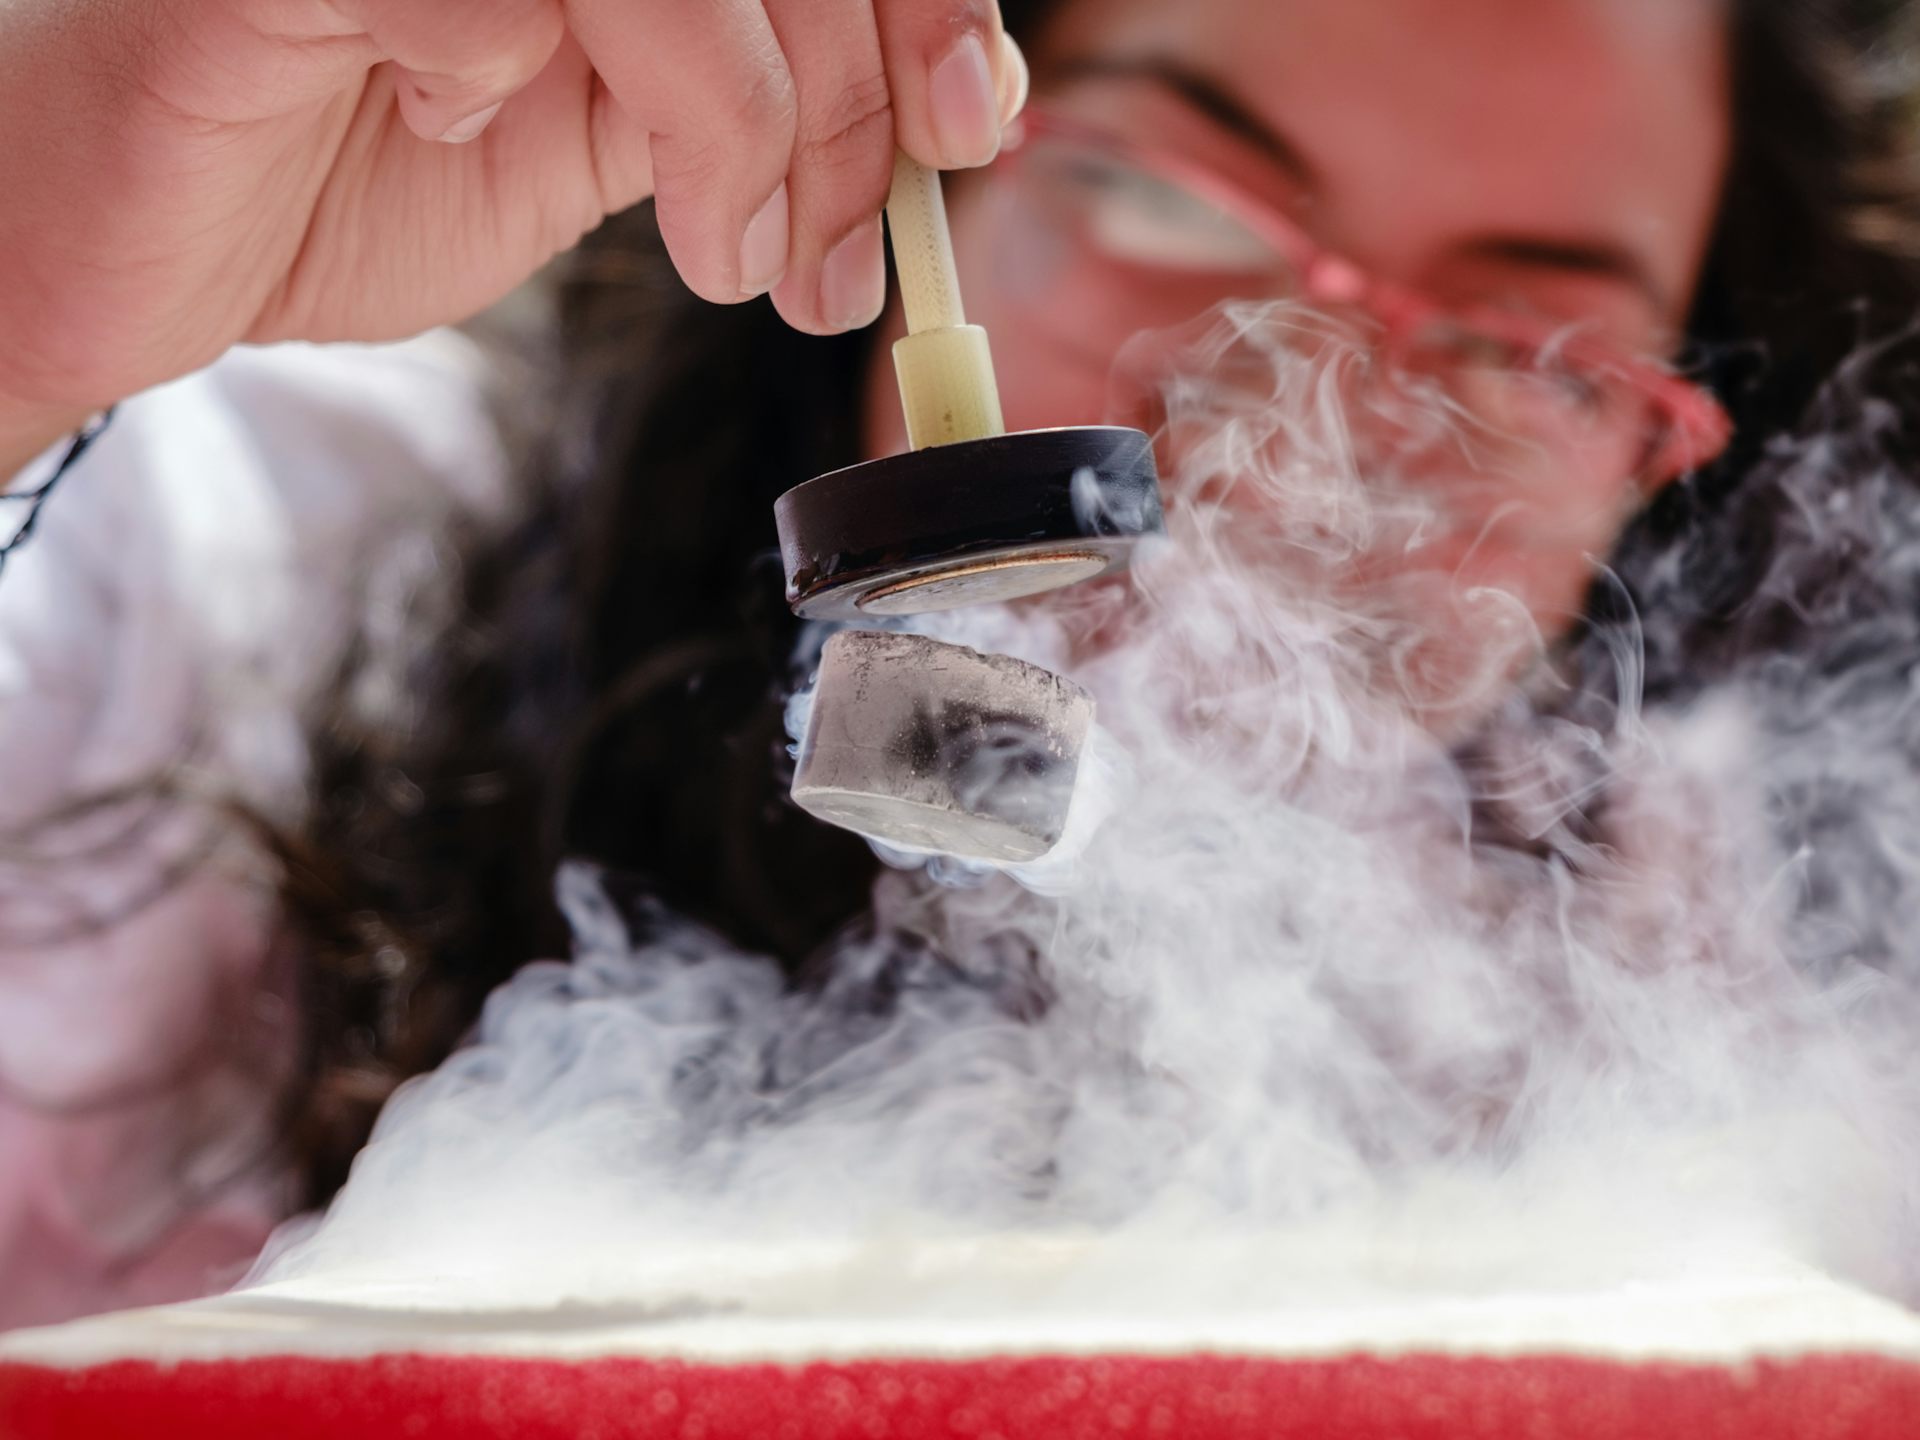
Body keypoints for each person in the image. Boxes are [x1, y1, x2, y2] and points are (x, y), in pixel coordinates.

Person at [1, 0, 1915, 1329]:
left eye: (1530, 351)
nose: (1286, 424)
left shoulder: (1789, 1026)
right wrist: (25, 298)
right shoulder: (281, 593)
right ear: (907, 167)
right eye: (1170, 191)